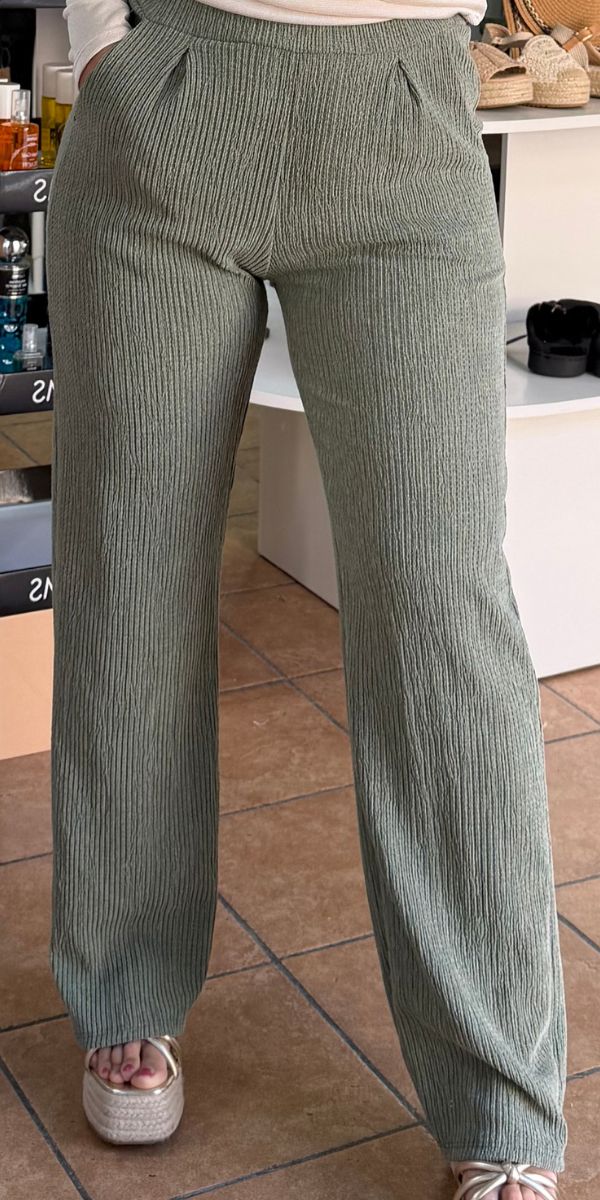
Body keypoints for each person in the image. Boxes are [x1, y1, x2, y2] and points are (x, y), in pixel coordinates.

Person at [45, 0, 567, 1195]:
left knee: (442, 609)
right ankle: (125, 983)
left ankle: (500, 1097)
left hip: (400, 104)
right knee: (130, 579)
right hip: (169, 92)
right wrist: (102, 38)